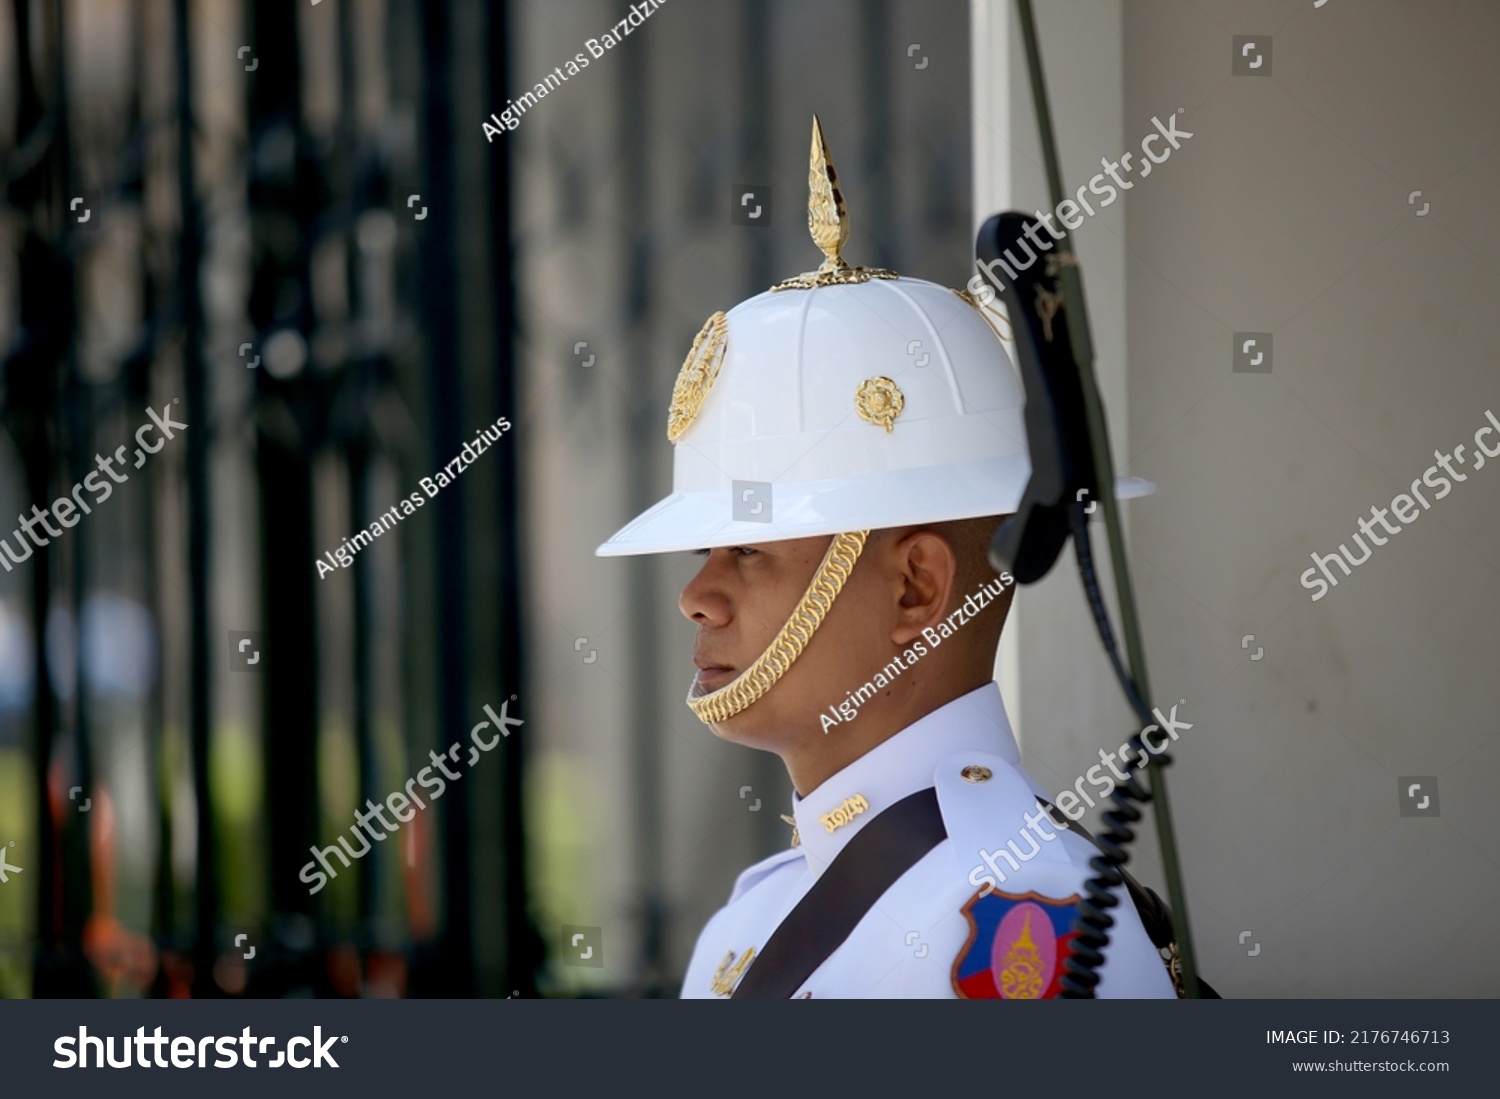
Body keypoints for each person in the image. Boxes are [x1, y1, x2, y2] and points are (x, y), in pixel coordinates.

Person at [596, 118, 1174, 999]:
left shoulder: (1018, 910)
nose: (696, 595)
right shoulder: (750, 920)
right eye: (708, 549)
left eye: (748, 550)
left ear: (916, 587)